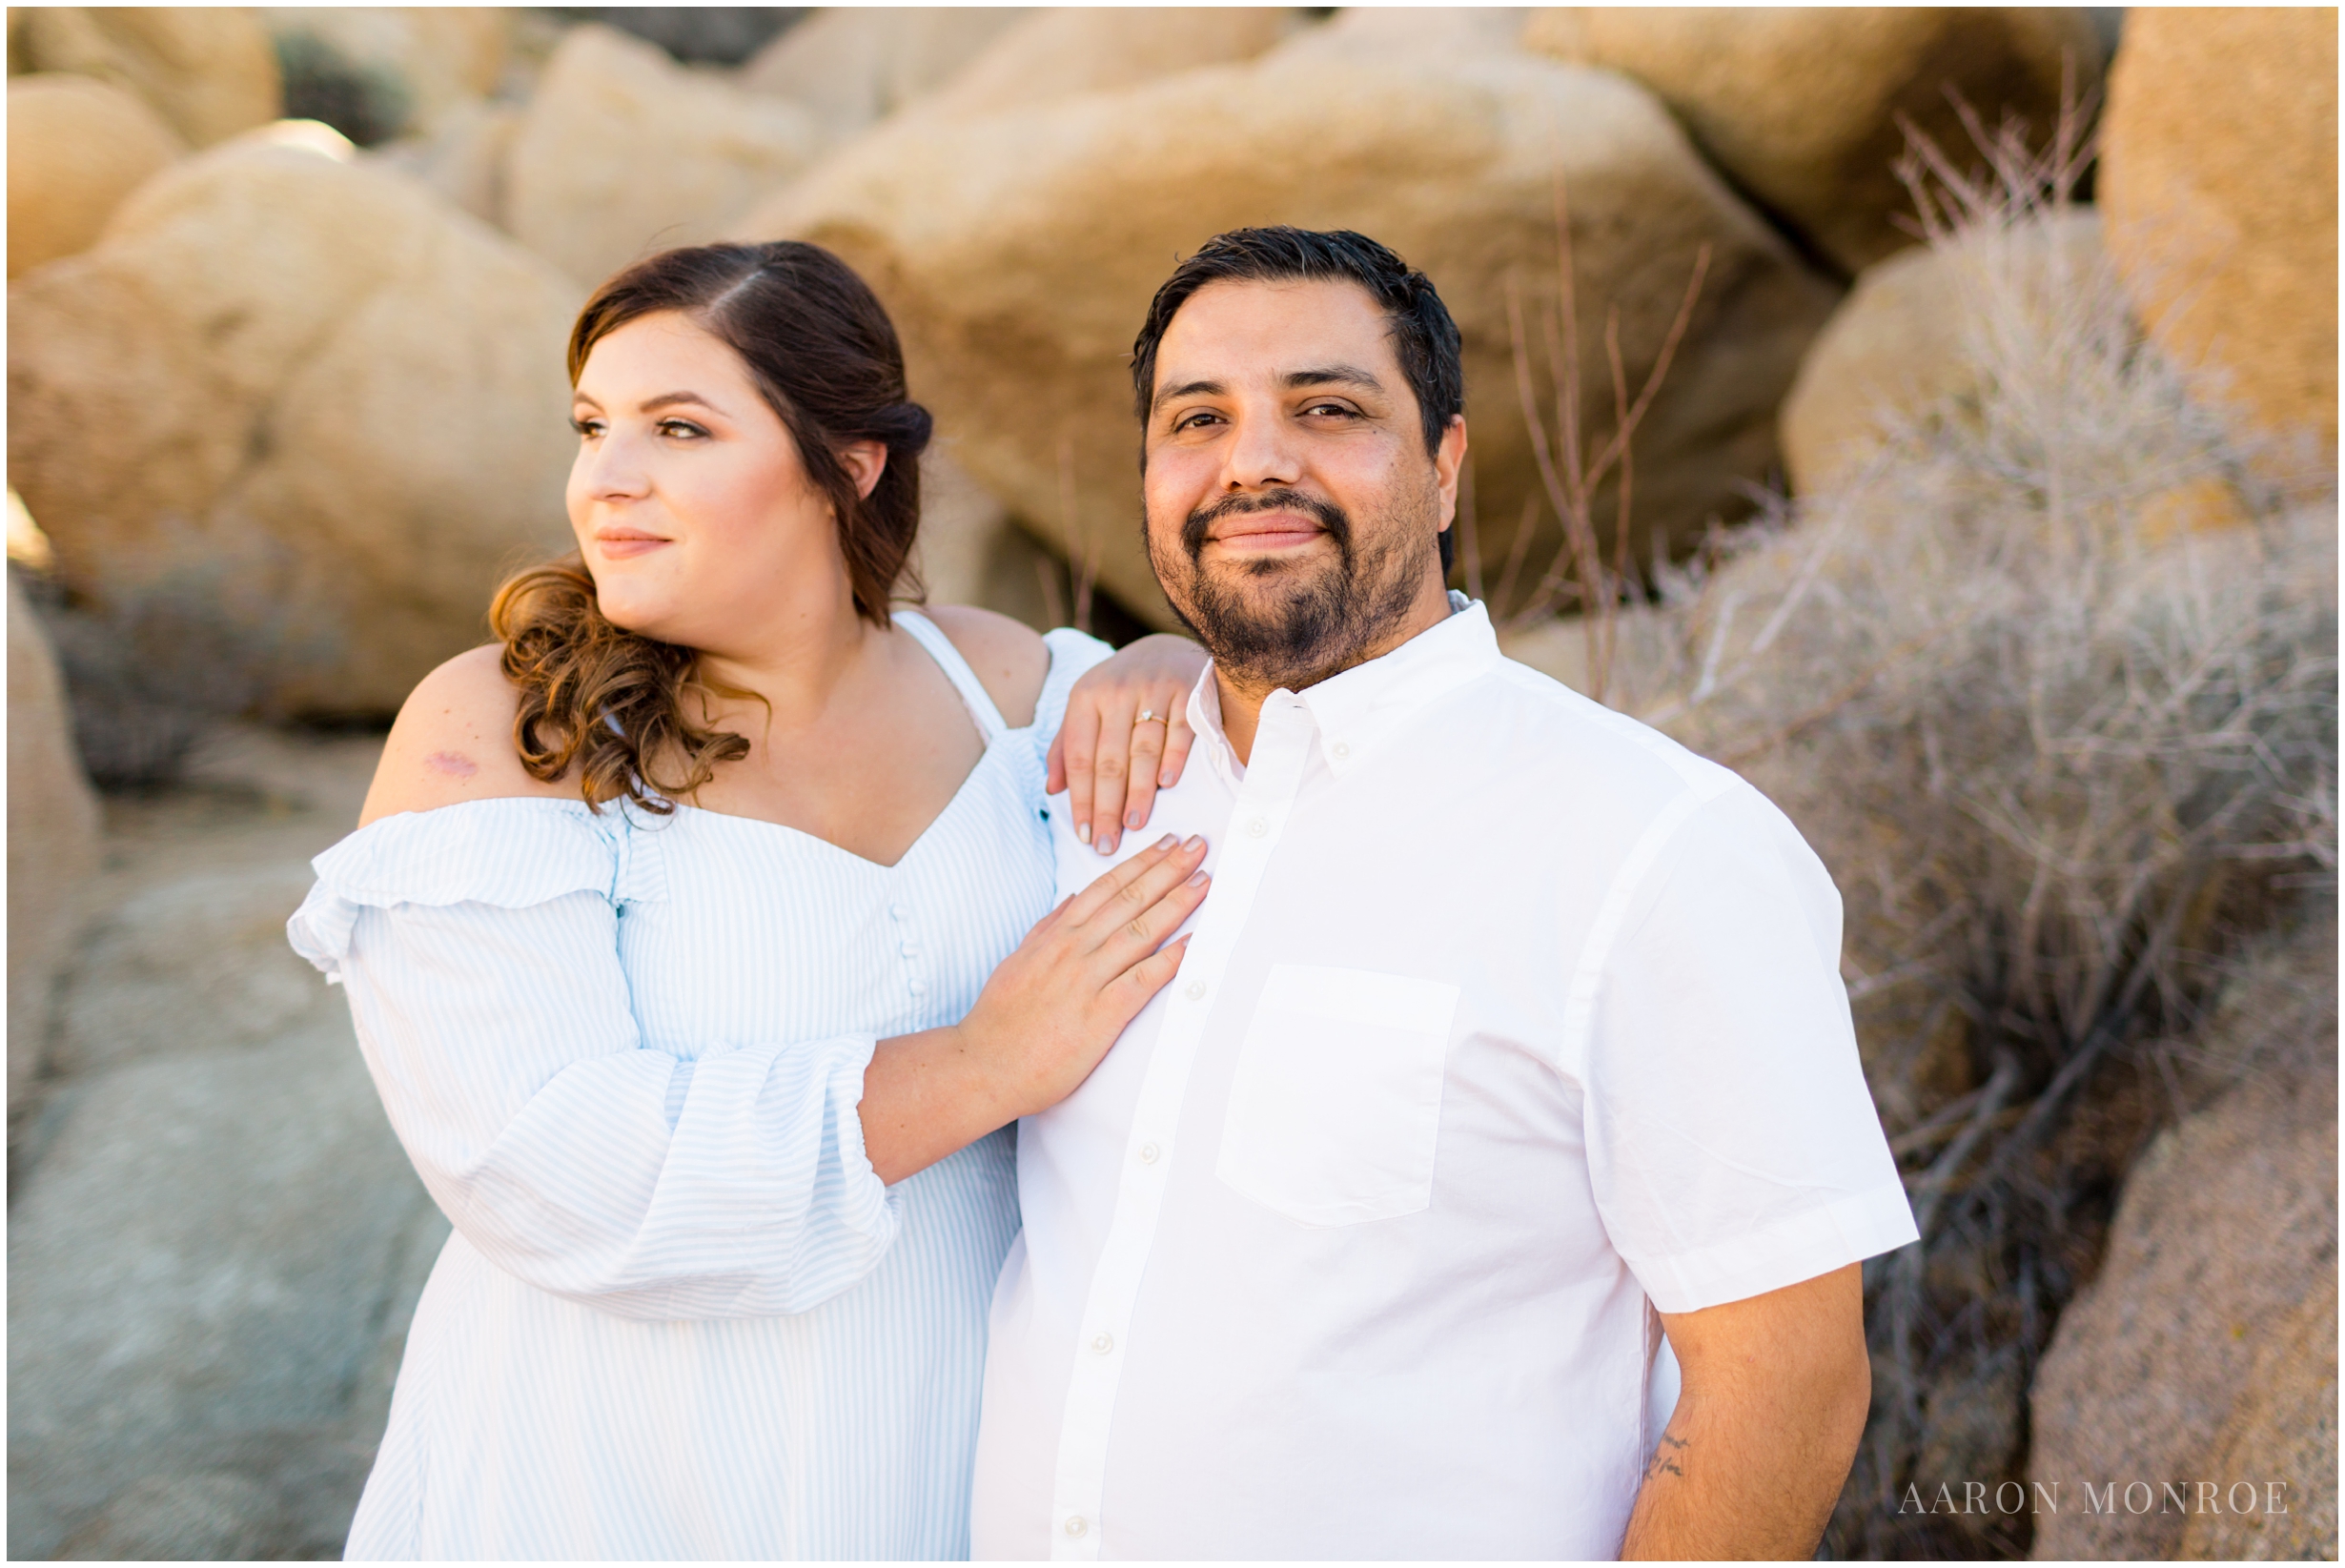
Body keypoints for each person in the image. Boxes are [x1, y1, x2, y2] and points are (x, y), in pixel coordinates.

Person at [970, 227, 1921, 1560]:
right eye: (1200, 418)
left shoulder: (1653, 845)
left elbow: (1789, 1383)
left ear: (1446, 467)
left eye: (1329, 409)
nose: (1254, 461)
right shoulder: (1082, 796)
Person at [287, 240, 1212, 1559]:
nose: (606, 479)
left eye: (679, 428)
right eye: (593, 427)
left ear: (847, 464)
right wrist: (979, 1065)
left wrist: (1169, 662)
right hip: (616, 1472)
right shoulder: (500, 727)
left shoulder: (1004, 687)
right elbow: (545, 1160)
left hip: (941, 1452)